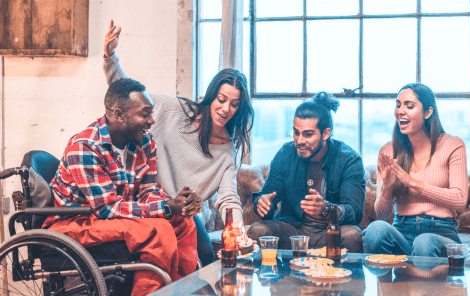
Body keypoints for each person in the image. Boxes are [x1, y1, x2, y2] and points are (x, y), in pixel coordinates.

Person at [103, 20, 254, 266]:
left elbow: (228, 197)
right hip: (154, 205)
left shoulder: (227, 151)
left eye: (234, 104)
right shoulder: (174, 110)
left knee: (206, 255)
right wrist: (110, 56)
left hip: (184, 215)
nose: (226, 109)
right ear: (211, 96)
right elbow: (129, 98)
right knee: (201, 250)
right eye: (222, 99)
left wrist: (237, 227)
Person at [43, 78, 202, 296]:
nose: (151, 121)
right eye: (144, 114)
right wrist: (165, 208)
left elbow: (147, 191)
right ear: (119, 115)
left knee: (184, 221)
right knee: (159, 230)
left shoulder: (144, 142)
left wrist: (173, 205)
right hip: (74, 222)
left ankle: (179, 291)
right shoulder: (85, 147)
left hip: (112, 214)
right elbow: (106, 209)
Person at [247, 92, 366, 252]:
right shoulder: (286, 153)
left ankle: (341, 276)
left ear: (326, 133)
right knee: (258, 230)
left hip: (331, 230)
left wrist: (327, 209)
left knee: (352, 235)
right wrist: (262, 203)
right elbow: (268, 196)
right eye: (296, 132)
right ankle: (273, 276)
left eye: (308, 134)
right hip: (293, 229)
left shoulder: (348, 160)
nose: (300, 141)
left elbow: (355, 212)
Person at [362, 83, 468, 257]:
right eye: (398, 105)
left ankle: (419, 284)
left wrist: (411, 182)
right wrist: (388, 188)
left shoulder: (453, 145)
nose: (400, 111)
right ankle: (387, 285)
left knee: (424, 242)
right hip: (402, 229)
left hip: (441, 232)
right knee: (375, 230)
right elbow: (381, 214)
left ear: (428, 113)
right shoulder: (389, 151)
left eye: (409, 106)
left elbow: (460, 200)